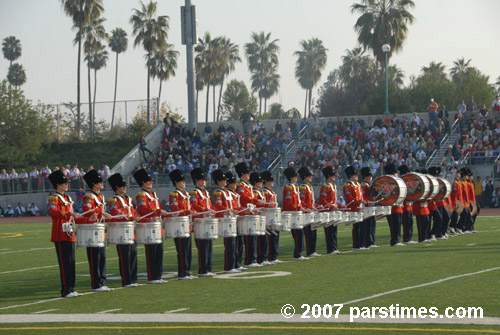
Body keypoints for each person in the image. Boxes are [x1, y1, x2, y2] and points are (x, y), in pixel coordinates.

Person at [48, 170, 82, 298]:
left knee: (72, 262)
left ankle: (71, 287)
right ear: (57, 184)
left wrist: (83, 219)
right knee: (64, 263)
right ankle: (65, 290)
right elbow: (53, 212)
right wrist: (69, 214)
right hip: (60, 233)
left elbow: (72, 214)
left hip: (69, 232)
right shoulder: (54, 198)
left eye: (67, 183)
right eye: (64, 183)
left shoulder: (68, 198)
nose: (66, 185)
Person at [79, 169, 113, 292]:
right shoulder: (89, 197)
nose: (102, 183)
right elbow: (87, 210)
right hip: (91, 229)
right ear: (94, 183)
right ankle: (96, 283)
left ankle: (102, 281)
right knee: (94, 256)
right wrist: (101, 212)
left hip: (99, 228)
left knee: (102, 255)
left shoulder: (101, 196)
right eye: (99, 182)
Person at [108, 173, 142, 288]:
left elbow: (133, 211)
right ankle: (126, 280)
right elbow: (114, 212)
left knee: (133, 254)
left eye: (124, 186)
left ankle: (133, 278)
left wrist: (135, 216)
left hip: (130, 229)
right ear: (116, 187)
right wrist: (123, 215)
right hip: (121, 231)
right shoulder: (113, 200)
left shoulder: (128, 199)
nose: (124, 187)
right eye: (122, 186)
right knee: (124, 256)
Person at [134, 168, 168, 284]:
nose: (151, 183)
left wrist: (158, 212)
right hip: (148, 226)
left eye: (151, 181)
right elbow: (144, 209)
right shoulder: (141, 196)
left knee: (159, 251)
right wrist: (158, 211)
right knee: (151, 252)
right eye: (148, 181)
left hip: (156, 225)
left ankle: (158, 275)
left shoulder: (153, 194)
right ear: (143, 183)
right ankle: (152, 276)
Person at [169, 169, 196, 279]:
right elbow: (175, 209)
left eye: (184, 181)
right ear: (176, 182)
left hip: (187, 224)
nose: (183, 183)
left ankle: (187, 270)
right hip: (179, 225)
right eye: (181, 181)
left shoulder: (185, 194)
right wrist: (188, 212)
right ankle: (182, 272)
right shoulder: (174, 194)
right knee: (181, 249)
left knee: (188, 249)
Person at [189, 167, 216, 277]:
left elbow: (209, 205)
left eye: (204, 180)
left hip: (207, 221)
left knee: (209, 245)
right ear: (196, 181)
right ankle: (202, 270)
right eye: (201, 179)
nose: (204, 181)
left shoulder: (205, 193)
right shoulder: (194, 193)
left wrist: (212, 210)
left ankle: (208, 268)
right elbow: (195, 206)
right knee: (202, 247)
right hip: (200, 222)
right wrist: (206, 210)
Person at [235, 162, 263, 267]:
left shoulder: (249, 186)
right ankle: (248, 260)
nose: (249, 175)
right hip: (245, 214)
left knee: (253, 237)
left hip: (251, 213)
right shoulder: (240, 185)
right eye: (247, 173)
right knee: (248, 238)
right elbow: (242, 197)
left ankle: (252, 258)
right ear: (242, 174)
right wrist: (256, 200)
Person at [212, 169, 239, 273]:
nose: (225, 181)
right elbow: (218, 205)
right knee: (229, 244)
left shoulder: (227, 192)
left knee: (233, 243)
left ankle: (233, 265)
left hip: (231, 218)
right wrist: (226, 210)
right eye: (223, 180)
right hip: (225, 219)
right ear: (219, 181)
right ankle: (228, 267)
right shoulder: (218, 192)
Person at [283, 166, 307, 260]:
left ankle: (299, 252)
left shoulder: (295, 187)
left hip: (297, 213)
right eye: (295, 176)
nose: (297, 178)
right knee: (298, 234)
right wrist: (298, 207)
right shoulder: (288, 187)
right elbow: (288, 203)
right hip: (293, 214)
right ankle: (297, 254)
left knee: (300, 234)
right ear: (290, 177)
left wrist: (301, 207)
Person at [318, 166, 341, 255]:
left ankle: (334, 247)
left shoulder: (333, 186)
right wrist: (331, 207)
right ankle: (330, 249)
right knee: (329, 231)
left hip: (333, 211)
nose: (334, 177)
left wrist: (341, 206)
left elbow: (334, 200)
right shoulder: (325, 186)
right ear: (328, 176)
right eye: (332, 175)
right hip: (328, 212)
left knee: (334, 230)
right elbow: (323, 200)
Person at [249, 172, 271, 265]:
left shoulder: (260, 192)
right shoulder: (254, 192)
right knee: (259, 238)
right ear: (254, 182)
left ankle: (264, 257)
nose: (261, 183)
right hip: (257, 216)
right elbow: (254, 204)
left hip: (263, 216)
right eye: (259, 182)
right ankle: (260, 258)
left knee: (264, 238)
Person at [225, 171, 246, 271]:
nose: (235, 185)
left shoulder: (235, 194)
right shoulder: (225, 193)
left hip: (237, 219)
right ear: (229, 184)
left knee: (239, 242)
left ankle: (238, 263)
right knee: (231, 244)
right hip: (229, 221)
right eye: (233, 183)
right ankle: (230, 265)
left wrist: (244, 210)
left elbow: (237, 206)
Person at [261, 170, 282, 264]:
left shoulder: (271, 192)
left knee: (275, 236)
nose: (272, 182)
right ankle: (270, 256)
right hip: (268, 217)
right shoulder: (264, 192)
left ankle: (274, 256)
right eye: (271, 180)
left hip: (274, 216)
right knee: (270, 237)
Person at [299, 167, 320, 257]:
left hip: (311, 212)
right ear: (304, 177)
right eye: (309, 176)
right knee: (308, 233)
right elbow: (302, 201)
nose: (311, 178)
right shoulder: (302, 187)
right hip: (306, 213)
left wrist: (316, 206)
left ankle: (313, 250)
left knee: (313, 231)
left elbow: (312, 201)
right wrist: (308, 208)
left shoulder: (309, 187)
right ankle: (310, 251)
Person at [343, 166, 366, 250]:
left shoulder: (358, 184)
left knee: (362, 226)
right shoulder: (348, 185)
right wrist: (359, 201)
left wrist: (363, 204)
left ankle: (362, 244)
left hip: (360, 208)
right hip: (354, 208)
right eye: (354, 175)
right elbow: (349, 197)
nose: (357, 176)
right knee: (357, 227)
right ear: (351, 176)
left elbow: (361, 196)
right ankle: (356, 245)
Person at [360, 167, 378, 248]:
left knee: (372, 224)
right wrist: (371, 199)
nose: (371, 178)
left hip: (371, 207)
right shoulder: (364, 185)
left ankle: (372, 241)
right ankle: (368, 242)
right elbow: (363, 197)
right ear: (366, 177)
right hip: (367, 207)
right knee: (368, 225)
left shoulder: (368, 185)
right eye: (370, 176)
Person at [398, 165, 416, 244]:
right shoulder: (401, 181)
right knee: (406, 223)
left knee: (410, 222)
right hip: (405, 205)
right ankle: (406, 238)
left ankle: (409, 237)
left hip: (409, 205)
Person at [428, 167, 443, 240]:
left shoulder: (435, 182)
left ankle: (433, 233)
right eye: (434, 175)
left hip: (433, 204)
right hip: (428, 204)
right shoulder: (428, 182)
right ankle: (429, 235)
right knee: (428, 221)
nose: (436, 177)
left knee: (439, 218)